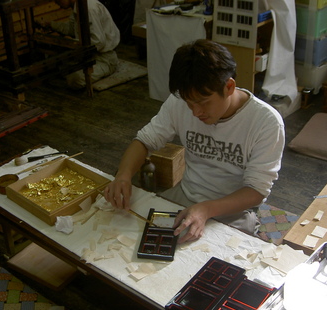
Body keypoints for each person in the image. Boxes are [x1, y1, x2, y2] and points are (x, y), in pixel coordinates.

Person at [104, 39, 285, 244]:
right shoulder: (181, 101)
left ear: (229, 87)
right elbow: (145, 141)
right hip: (185, 195)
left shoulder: (266, 122)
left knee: (218, 263)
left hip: (232, 210)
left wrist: (206, 209)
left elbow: (256, 191)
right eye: (189, 103)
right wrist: (123, 175)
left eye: (203, 102)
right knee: (128, 236)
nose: (196, 112)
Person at [37, 0, 120, 89]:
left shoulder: (88, 8)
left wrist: (73, 44)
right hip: (89, 55)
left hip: (103, 59)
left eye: (57, 0)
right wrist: (51, 24)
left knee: (74, 78)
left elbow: (99, 42)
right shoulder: (78, 7)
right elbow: (72, 29)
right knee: (54, 65)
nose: (56, 3)